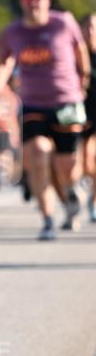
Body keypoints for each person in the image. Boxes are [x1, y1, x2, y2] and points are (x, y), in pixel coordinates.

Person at [0, 0, 90, 240]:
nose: (34, 4)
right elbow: (4, 62)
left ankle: (71, 191)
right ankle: (48, 219)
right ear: (22, 3)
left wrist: (85, 76)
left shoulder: (64, 23)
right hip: (33, 102)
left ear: (48, 2)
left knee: (66, 165)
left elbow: (80, 48)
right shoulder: (13, 32)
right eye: (29, 0)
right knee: (38, 155)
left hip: (66, 100)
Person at [81, 13, 96, 222]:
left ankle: (93, 200)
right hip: (80, 113)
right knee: (84, 161)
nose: (92, 31)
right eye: (88, 27)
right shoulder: (75, 55)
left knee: (92, 156)